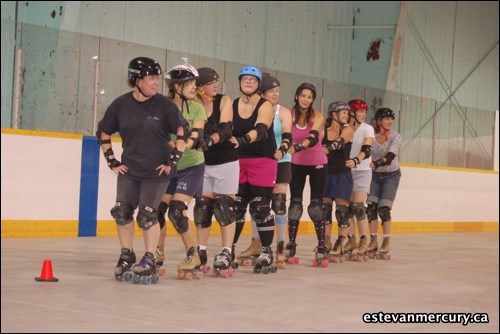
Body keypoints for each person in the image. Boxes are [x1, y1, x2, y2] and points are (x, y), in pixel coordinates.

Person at [96, 57, 188, 281]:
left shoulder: (165, 105)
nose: (156, 83)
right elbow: (104, 132)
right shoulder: (120, 105)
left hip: (156, 172)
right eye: (151, 78)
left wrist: (172, 162)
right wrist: (111, 160)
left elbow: (183, 132)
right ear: (136, 80)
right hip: (130, 170)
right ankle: (126, 255)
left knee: (148, 215)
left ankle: (149, 258)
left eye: (157, 78)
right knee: (122, 212)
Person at [157, 61, 207, 279]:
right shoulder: (163, 107)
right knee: (157, 210)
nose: (194, 87)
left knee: (177, 211)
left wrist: (182, 144)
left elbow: (196, 133)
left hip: (191, 165)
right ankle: (156, 253)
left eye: (195, 83)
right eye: (189, 83)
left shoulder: (197, 107)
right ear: (176, 87)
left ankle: (193, 254)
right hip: (169, 165)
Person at [238, 74, 293, 268]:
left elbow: (288, 134)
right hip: (258, 159)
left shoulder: (282, 112)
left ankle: (280, 245)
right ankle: (257, 243)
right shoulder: (253, 108)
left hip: (281, 159)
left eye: (277, 91)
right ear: (262, 92)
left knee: (278, 204)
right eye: (271, 91)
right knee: (257, 204)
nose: (275, 94)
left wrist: (283, 150)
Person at [230, 65, 278, 273]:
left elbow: (261, 129)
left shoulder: (265, 104)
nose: (248, 82)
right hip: (239, 160)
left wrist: (241, 140)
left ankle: (267, 250)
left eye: (252, 79)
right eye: (245, 79)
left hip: (262, 159)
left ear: (258, 84)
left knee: (260, 206)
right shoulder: (232, 104)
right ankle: (228, 249)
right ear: (240, 82)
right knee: (236, 207)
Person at [193, 67, 239, 275]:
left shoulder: (224, 101)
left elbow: (226, 129)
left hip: (225, 162)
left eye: (216, 82)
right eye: (210, 83)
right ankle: (201, 251)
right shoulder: (193, 103)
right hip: (202, 163)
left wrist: (209, 140)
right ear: (199, 86)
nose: (215, 86)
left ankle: (226, 251)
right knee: (203, 208)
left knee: (224, 207)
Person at [285, 82, 328, 266]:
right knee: (295, 204)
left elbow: (313, 137)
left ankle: (321, 247)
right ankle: (291, 245)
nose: (305, 99)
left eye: (309, 97)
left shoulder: (318, 116)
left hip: (317, 162)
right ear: (296, 96)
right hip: (296, 163)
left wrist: (297, 147)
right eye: (303, 95)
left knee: (315, 207)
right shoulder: (289, 115)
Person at [366, 107, 402, 260]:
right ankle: (373, 241)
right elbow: (365, 150)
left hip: (391, 175)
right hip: (374, 175)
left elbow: (391, 155)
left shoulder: (395, 136)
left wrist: (377, 163)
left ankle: (386, 241)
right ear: (379, 121)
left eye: (391, 119)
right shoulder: (371, 136)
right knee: (371, 208)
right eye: (387, 119)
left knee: (384, 209)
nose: (390, 122)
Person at [322, 101, 354, 263]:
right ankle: (326, 241)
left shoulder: (348, 129)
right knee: (325, 210)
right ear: (333, 114)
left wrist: (329, 147)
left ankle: (340, 241)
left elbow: (341, 141)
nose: (346, 115)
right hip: (326, 174)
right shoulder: (324, 131)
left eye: (347, 113)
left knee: (342, 211)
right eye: (343, 112)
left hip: (342, 173)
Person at [342, 99, 375, 260]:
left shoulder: (367, 128)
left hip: (362, 170)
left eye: (364, 112)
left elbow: (367, 149)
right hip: (347, 171)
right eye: (360, 111)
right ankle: (351, 240)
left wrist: (356, 160)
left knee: (358, 206)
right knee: (347, 208)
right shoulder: (345, 128)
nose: (363, 114)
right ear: (352, 113)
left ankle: (364, 240)